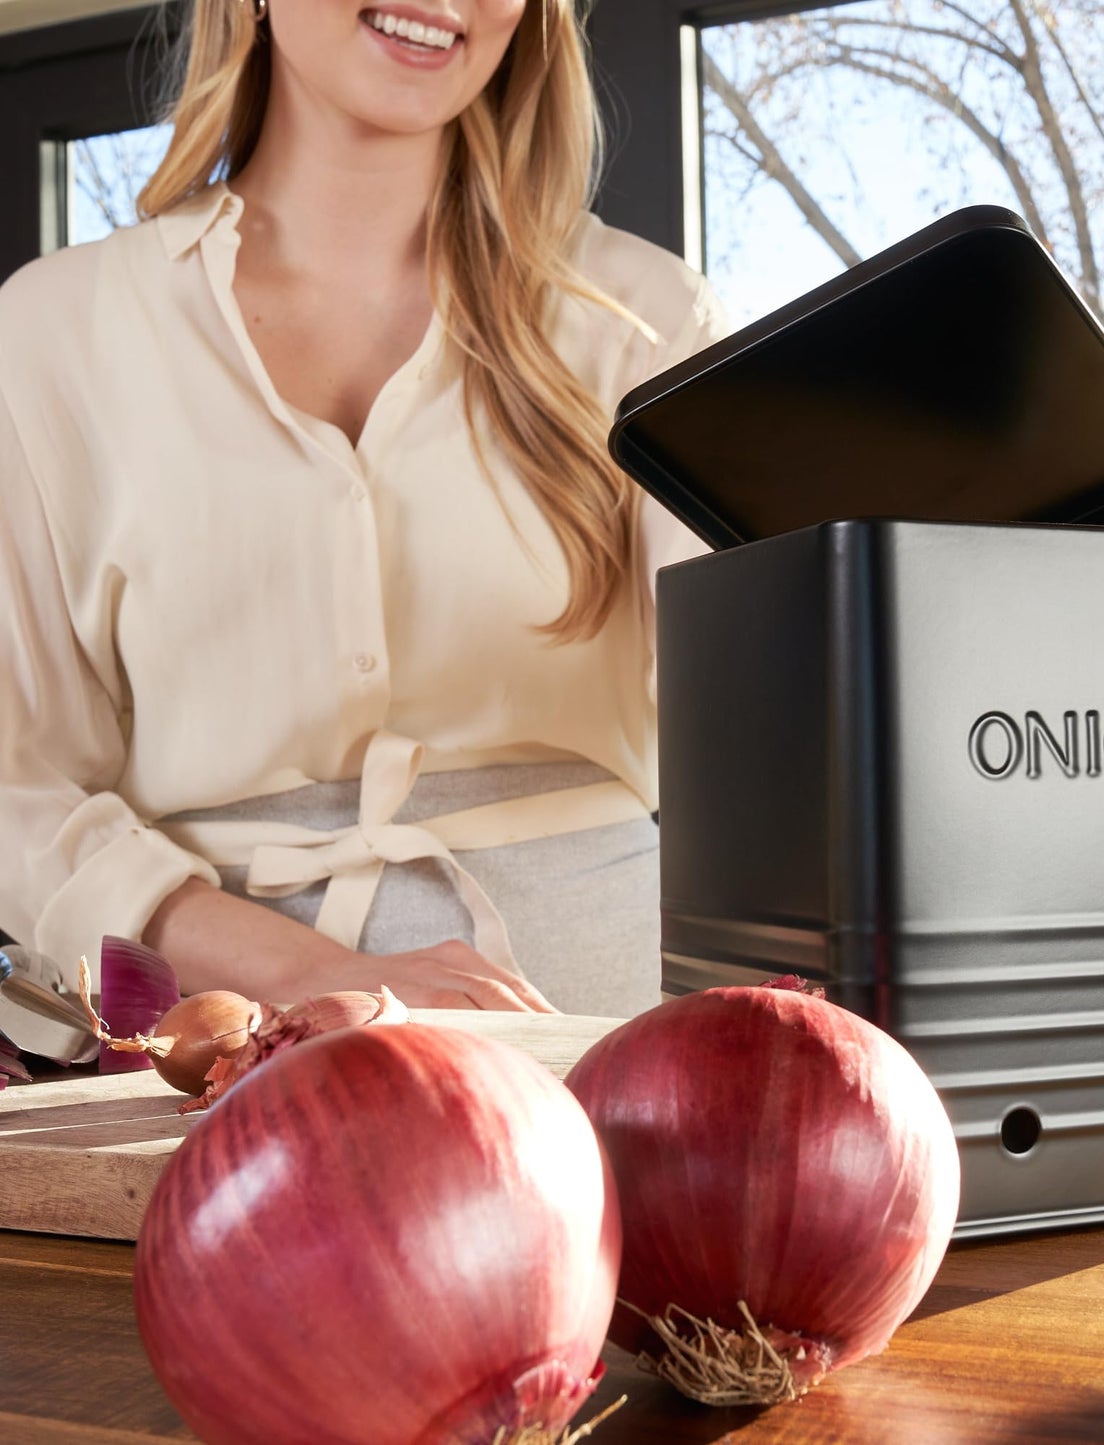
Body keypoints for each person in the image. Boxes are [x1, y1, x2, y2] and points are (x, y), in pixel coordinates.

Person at [0, 0, 728, 1017]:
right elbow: (16, 794)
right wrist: (310, 974)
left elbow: (763, 735)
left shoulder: (642, 319)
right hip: (228, 1056)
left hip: (601, 1037)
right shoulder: (53, 335)